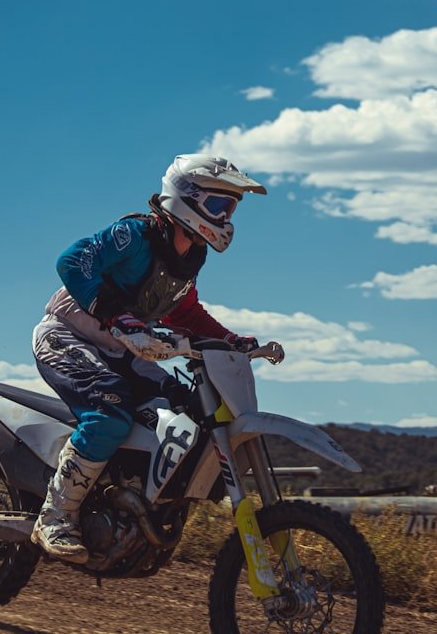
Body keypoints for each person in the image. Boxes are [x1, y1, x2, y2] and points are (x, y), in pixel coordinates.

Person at [30, 154, 266, 563]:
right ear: (186, 199)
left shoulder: (191, 254)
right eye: (219, 205)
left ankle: (130, 504)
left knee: (190, 409)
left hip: (122, 350)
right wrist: (110, 311)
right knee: (110, 413)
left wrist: (230, 340)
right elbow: (72, 260)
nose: (226, 216)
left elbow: (184, 311)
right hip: (68, 336)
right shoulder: (136, 235)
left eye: (230, 208)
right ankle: (55, 515)